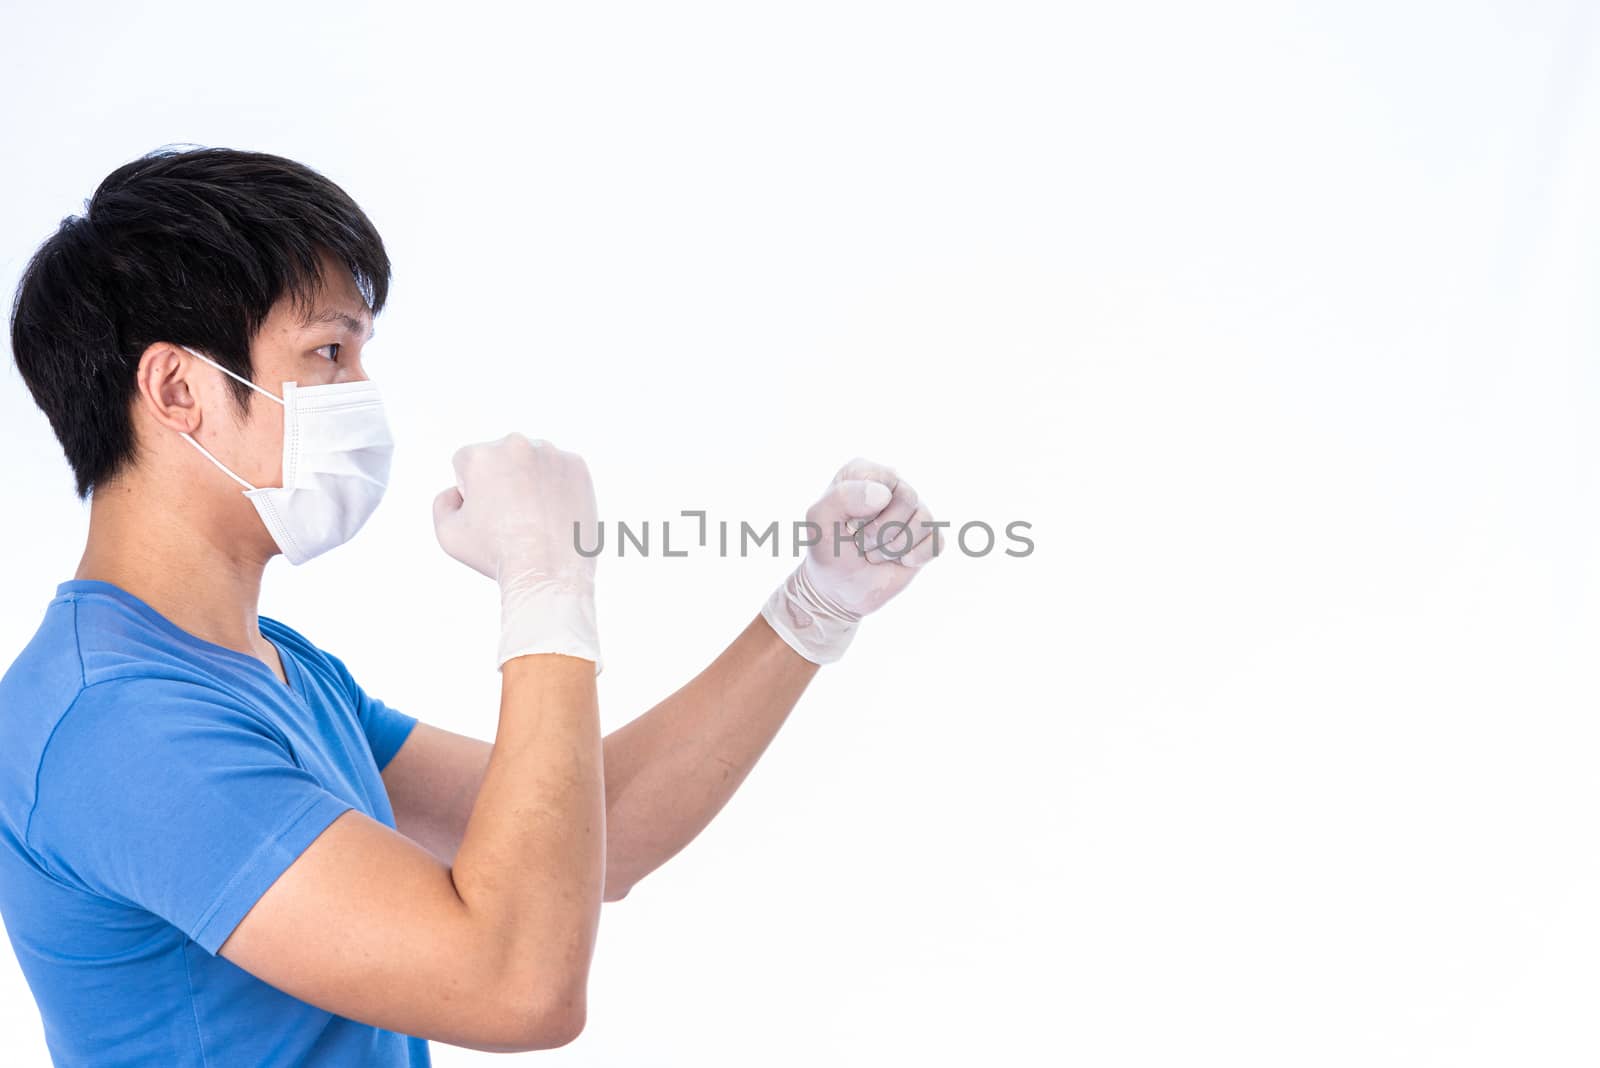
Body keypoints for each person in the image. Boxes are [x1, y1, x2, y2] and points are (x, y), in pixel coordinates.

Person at [0, 146, 941, 1065]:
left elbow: (597, 832)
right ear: (177, 389)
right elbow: (515, 985)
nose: (362, 396)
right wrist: (544, 588)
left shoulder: (264, 665)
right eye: (328, 352)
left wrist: (813, 607)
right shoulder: (122, 725)